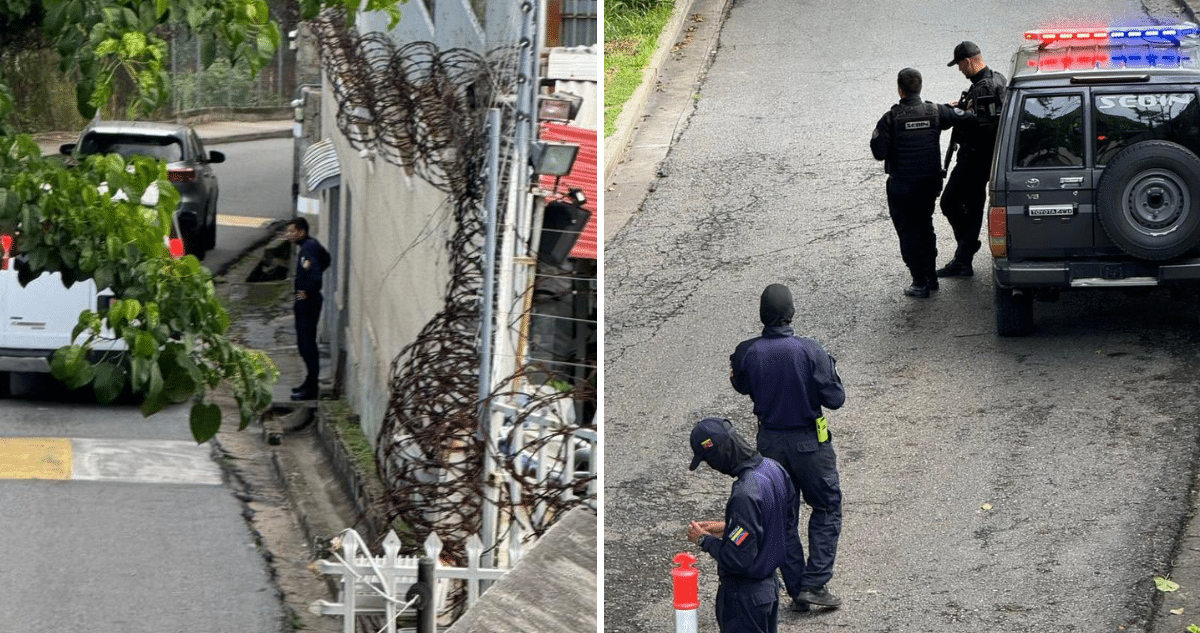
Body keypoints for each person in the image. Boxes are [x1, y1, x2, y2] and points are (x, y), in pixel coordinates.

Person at [729, 283, 846, 612]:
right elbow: (835, 399)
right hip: (810, 442)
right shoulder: (810, 350)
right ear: (791, 313)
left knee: (781, 515)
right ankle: (816, 582)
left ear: (762, 315)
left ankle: (797, 588)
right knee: (826, 506)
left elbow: (740, 384)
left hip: (769, 443)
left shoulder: (745, 352)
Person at [687, 416, 799, 633]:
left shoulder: (744, 495)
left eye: (709, 460)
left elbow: (738, 559)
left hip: (744, 599)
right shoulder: (773, 469)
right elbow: (783, 521)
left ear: (719, 454)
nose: (713, 467)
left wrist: (704, 540)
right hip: (768, 590)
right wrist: (728, 526)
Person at [870, 67, 976, 298]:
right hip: (928, 185)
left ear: (900, 90)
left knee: (908, 232)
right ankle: (931, 277)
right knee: (925, 226)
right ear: (920, 87)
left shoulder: (890, 118)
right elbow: (969, 118)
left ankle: (919, 282)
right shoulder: (935, 111)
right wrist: (960, 107)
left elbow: (879, 152)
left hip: (902, 187)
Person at [937, 41, 1008, 278]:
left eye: (959, 65)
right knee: (974, 208)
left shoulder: (983, 87)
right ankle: (963, 259)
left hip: (976, 159)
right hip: (985, 159)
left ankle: (966, 247)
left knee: (949, 201)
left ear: (968, 62)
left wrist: (961, 115)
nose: (959, 70)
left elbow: (984, 129)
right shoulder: (996, 78)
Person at [285, 217, 330, 401]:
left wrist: (305, 293)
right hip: (305, 301)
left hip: (308, 303)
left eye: (292, 231)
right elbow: (327, 259)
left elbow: (316, 278)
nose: (288, 235)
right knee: (303, 344)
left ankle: (312, 387)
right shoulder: (310, 246)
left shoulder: (307, 249)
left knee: (307, 345)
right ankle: (309, 381)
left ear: (301, 232)